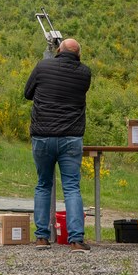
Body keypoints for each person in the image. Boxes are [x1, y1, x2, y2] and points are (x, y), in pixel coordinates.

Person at [23, 36, 93, 250]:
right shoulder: (85, 73)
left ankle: (42, 237)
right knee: (72, 187)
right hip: (71, 137)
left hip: (43, 135)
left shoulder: (43, 66)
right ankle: (76, 240)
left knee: (43, 184)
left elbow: (28, 93)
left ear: (58, 51)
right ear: (78, 55)